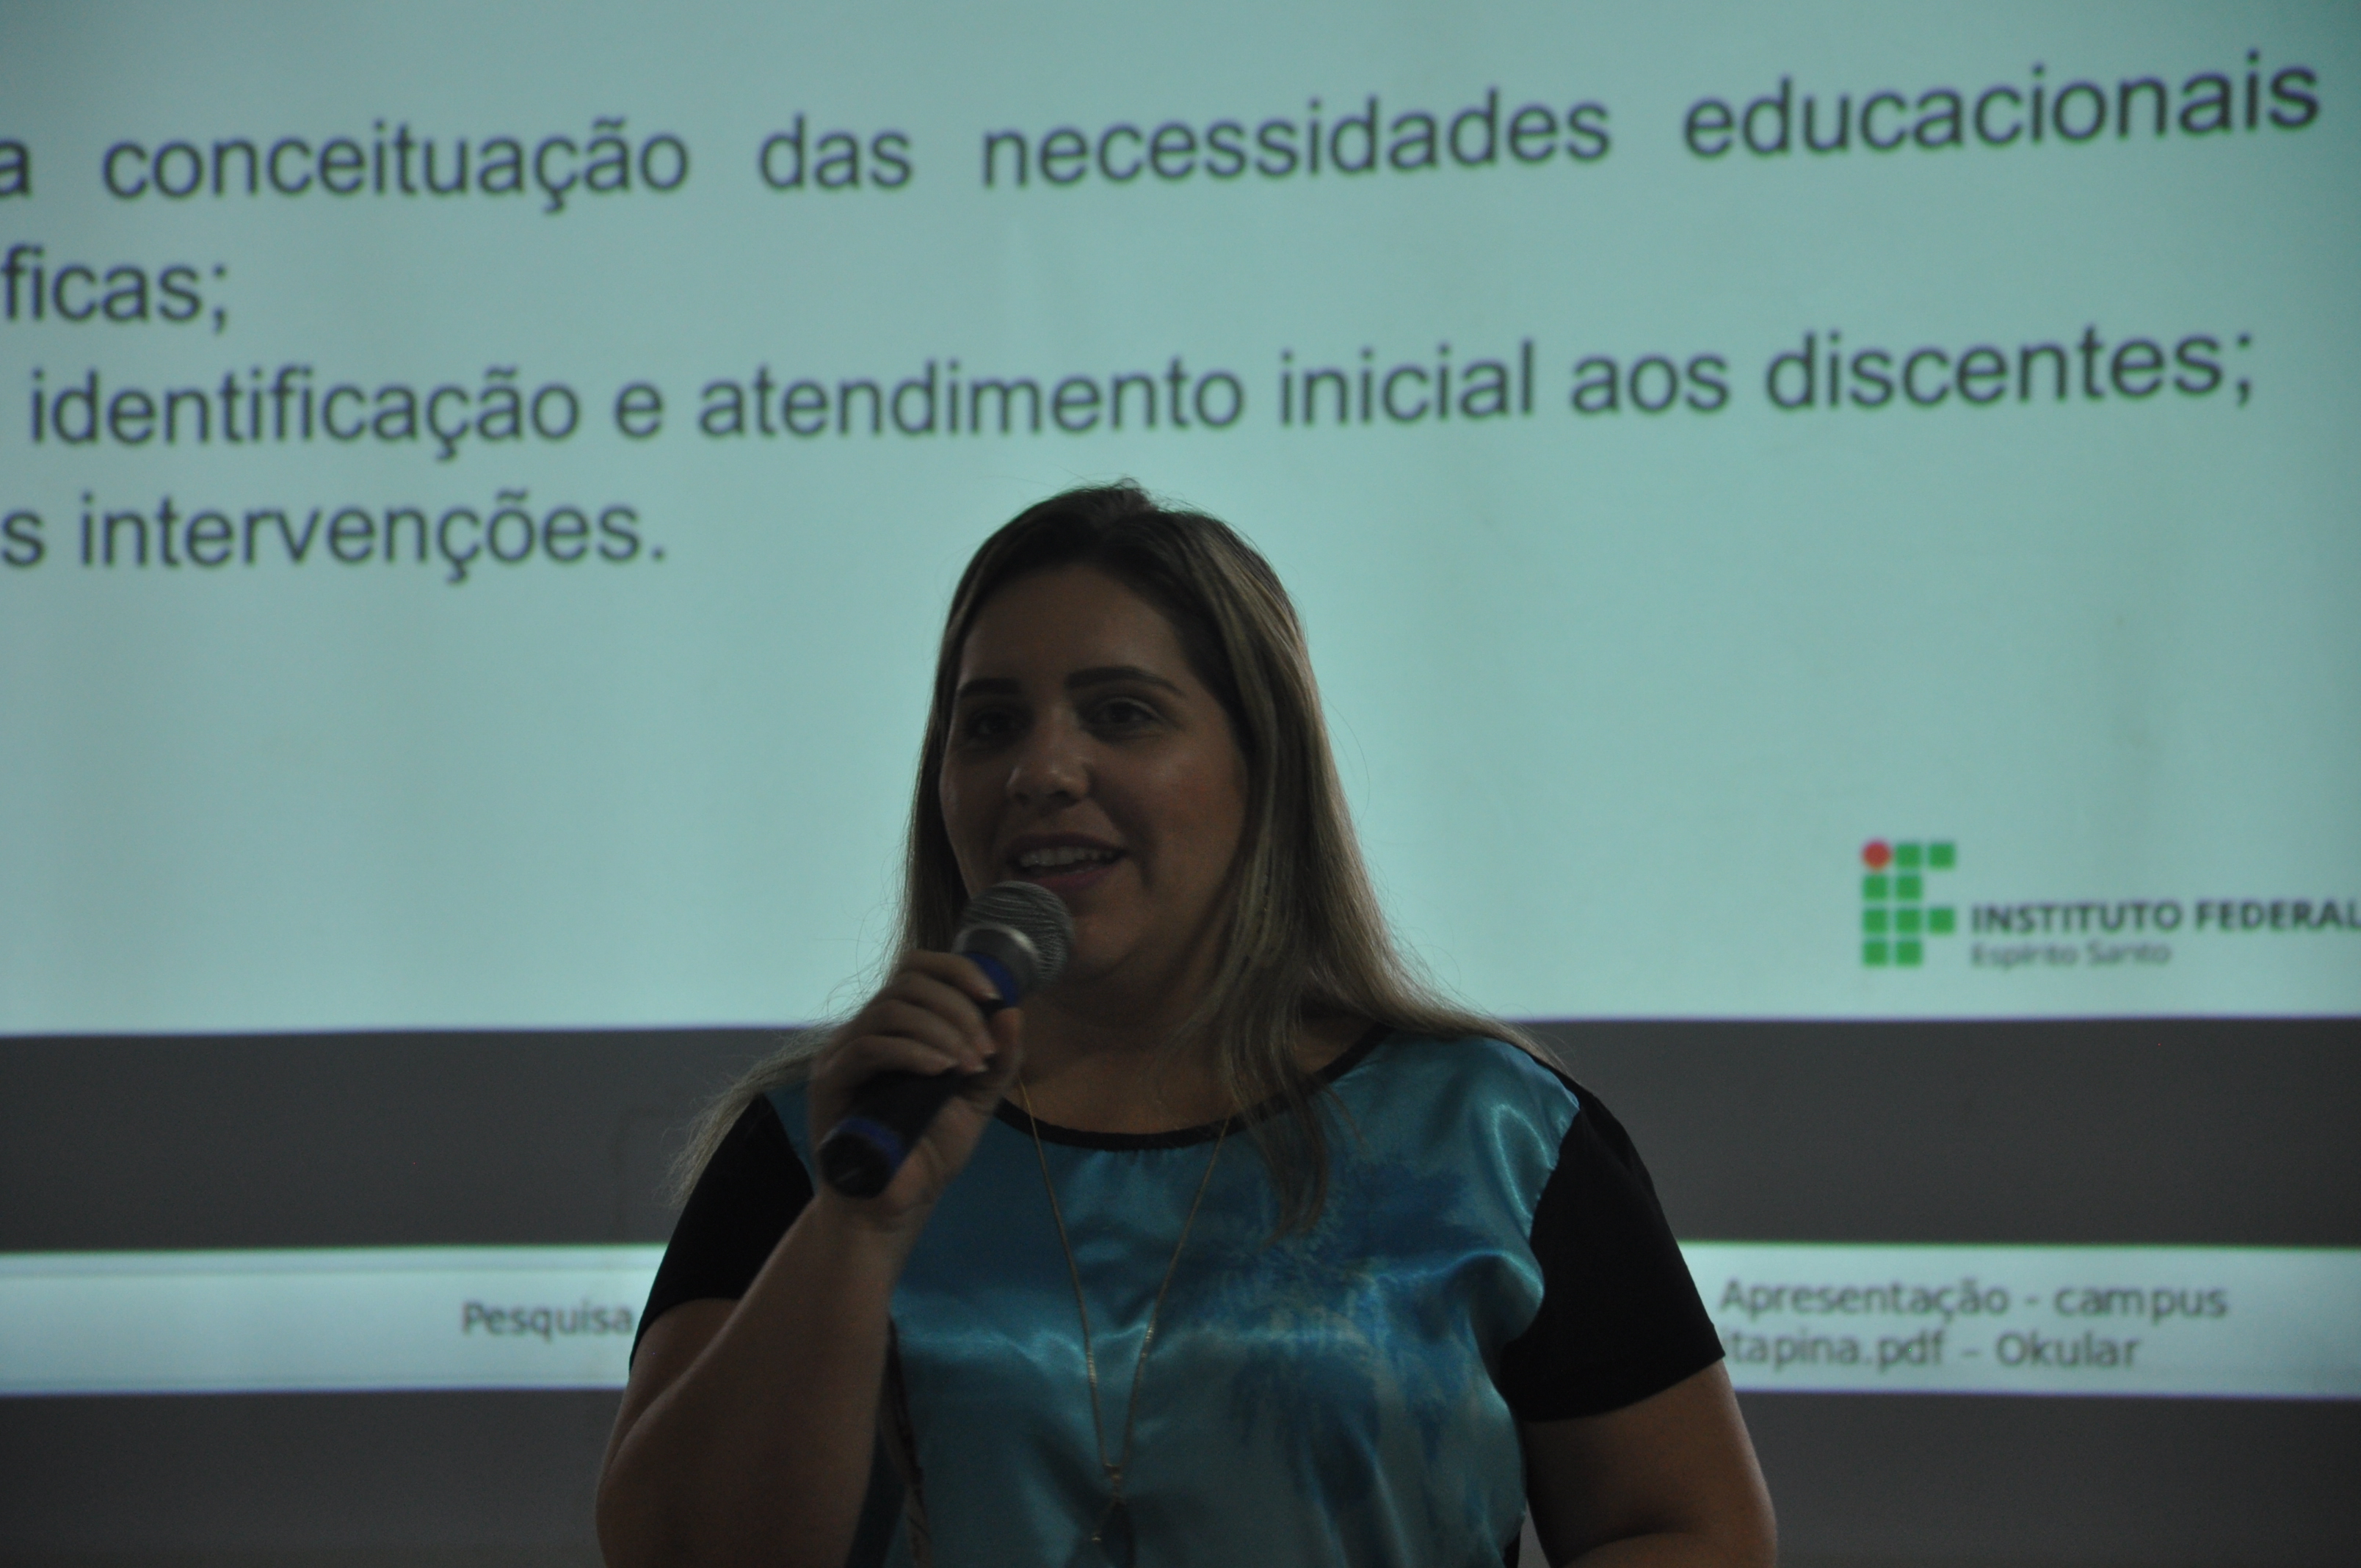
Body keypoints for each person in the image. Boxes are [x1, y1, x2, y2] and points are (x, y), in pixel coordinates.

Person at [595, 482, 1775, 1568]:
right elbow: (673, 1555)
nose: (1042, 771)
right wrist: (859, 1228)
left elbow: (1693, 1531)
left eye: (1121, 714)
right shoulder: (829, 1144)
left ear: (1264, 768)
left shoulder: (1493, 1136)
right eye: (989, 724)